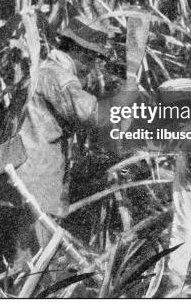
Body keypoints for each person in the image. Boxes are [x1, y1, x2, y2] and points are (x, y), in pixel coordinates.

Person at [12, 14, 130, 264]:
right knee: (35, 257)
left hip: (23, 172)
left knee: (28, 250)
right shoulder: (59, 77)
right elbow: (90, 113)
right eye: (91, 58)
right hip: (39, 177)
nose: (92, 66)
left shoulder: (38, 70)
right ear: (78, 51)